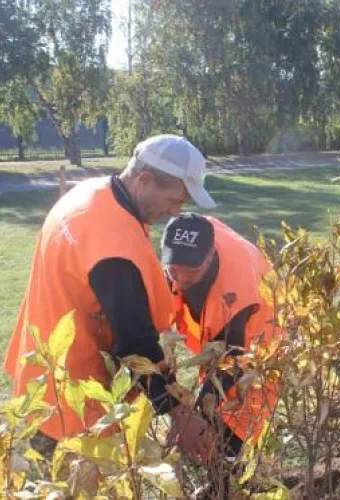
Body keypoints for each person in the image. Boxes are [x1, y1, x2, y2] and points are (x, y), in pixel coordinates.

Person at [4, 134, 218, 464]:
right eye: (175, 200)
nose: (176, 211)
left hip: (40, 381)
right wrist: (179, 412)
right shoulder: (114, 249)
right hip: (73, 403)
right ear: (145, 180)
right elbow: (135, 344)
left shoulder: (94, 195)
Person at [161, 213, 281, 496]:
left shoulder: (235, 291)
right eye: (174, 270)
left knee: (233, 422)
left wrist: (193, 418)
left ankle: (232, 484)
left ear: (210, 257)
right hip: (222, 341)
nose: (181, 279)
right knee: (206, 420)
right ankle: (220, 482)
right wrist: (177, 410)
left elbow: (230, 362)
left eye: (190, 272)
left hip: (258, 342)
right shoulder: (184, 245)